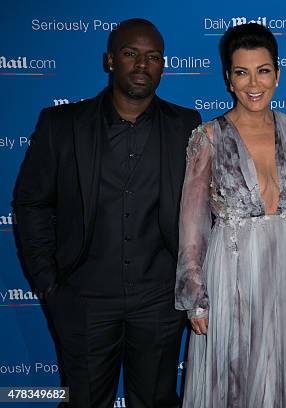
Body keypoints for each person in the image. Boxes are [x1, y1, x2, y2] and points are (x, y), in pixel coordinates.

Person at [12, 18, 201, 407]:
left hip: (159, 300)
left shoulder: (187, 126)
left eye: (152, 57)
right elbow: (31, 203)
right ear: (110, 60)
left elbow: (203, 212)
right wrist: (48, 282)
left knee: (155, 401)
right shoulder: (62, 125)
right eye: (131, 54)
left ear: (163, 65)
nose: (141, 65)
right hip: (83, 299)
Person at [175, 23, 286, 407]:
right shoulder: (209, 137)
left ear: (278, 73)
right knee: (235, 377)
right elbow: (192, 226)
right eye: (242, 72)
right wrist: (197, 299)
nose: (253, 83)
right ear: (228, 79)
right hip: (233, 274)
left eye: (263, 70)